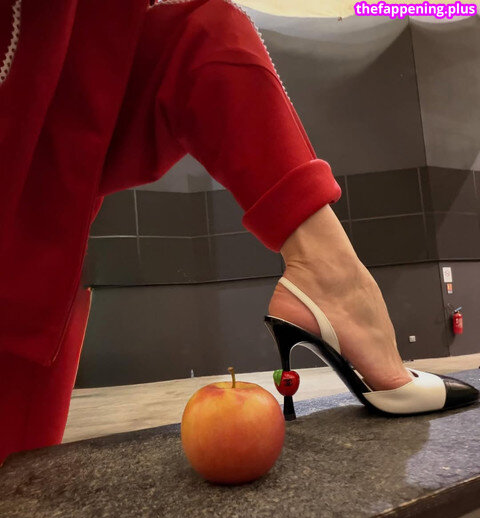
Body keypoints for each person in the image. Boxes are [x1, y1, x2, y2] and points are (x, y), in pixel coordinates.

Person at [0, 0, 477, 462]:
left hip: (41, 267)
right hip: (25, 270)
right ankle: (334, 283)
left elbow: (193, 46)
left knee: (211, 31)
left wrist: (322, 250)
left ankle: (332, 277)